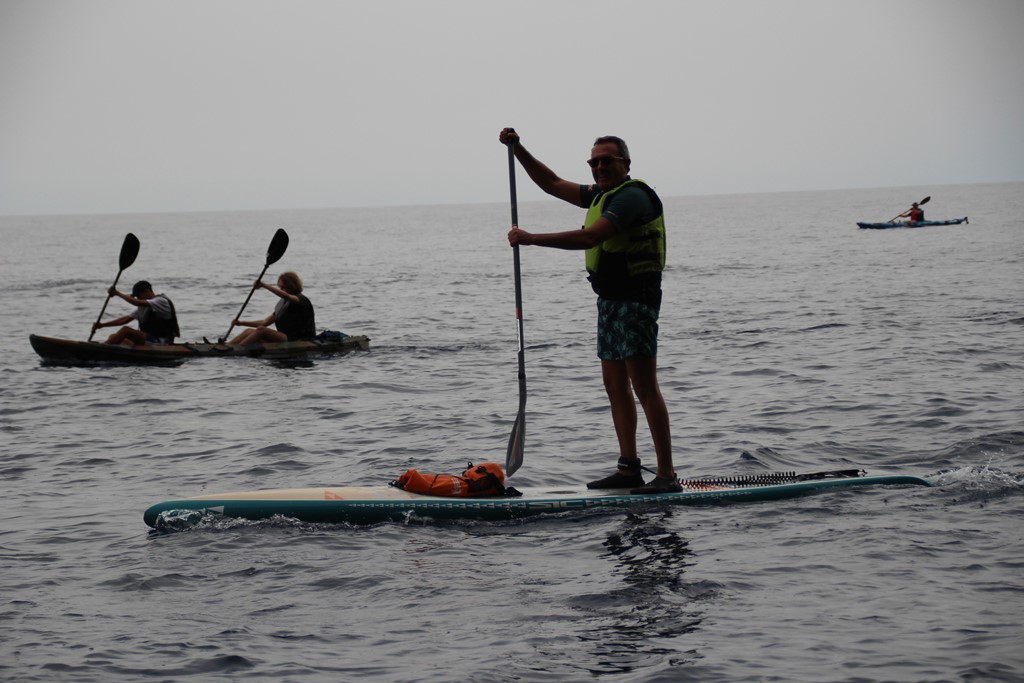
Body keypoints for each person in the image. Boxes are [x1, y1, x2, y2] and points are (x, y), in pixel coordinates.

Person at [499, 128, 680, 494]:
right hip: (610, 301)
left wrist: (532, 239)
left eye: (607, 161)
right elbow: (551, 183)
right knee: (614, 386)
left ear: (625, 163)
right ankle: (629, 469)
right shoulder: (601, 194)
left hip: (637, 301)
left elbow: (591, 237)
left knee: (644, 386)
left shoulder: (632, 197)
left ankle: (666, 475)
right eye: (594, 162)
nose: (599, 167)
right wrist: (518, 149)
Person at [227, 271, 316, 345]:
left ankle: (237, 349)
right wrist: (241, 323)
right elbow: (264, 322)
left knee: (261, 330)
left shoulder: (300, 299)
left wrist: (264, 285)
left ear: (292, 286)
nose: (281, 289)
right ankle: (228, 345)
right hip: (285, 337)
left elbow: (286, 296)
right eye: (280, 287)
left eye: (283, 287)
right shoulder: (283, 304)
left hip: (300, 339)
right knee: (249, 331)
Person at [93, 280, 180, 346]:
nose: (138, 298)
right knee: (113, 336)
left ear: (146, 291)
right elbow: (125, 319)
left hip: (162, 341)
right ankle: (108, 348)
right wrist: (102, 325)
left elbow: (136, 302)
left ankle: (102, 349)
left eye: (138, 296)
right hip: (149, 339)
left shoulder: (161, 301)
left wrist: (118, 293)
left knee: (126, 330)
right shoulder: (144, 307)